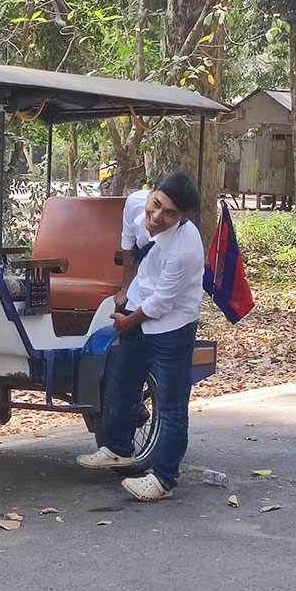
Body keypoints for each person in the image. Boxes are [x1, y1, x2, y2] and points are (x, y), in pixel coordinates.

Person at [77, 170, 204, 501]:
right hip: (137, 309)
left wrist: (125, 322)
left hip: (171, 326)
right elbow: (129, 248)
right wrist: (124, 291)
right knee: (123, 381)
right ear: (151, 193)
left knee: (173, 404)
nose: (157, 217)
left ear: (184, 216)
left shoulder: (185, 249)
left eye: (169, 214)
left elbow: (161, 303)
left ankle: (164, 480)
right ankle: (117, 448)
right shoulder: (135, 203)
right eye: (156, 205)